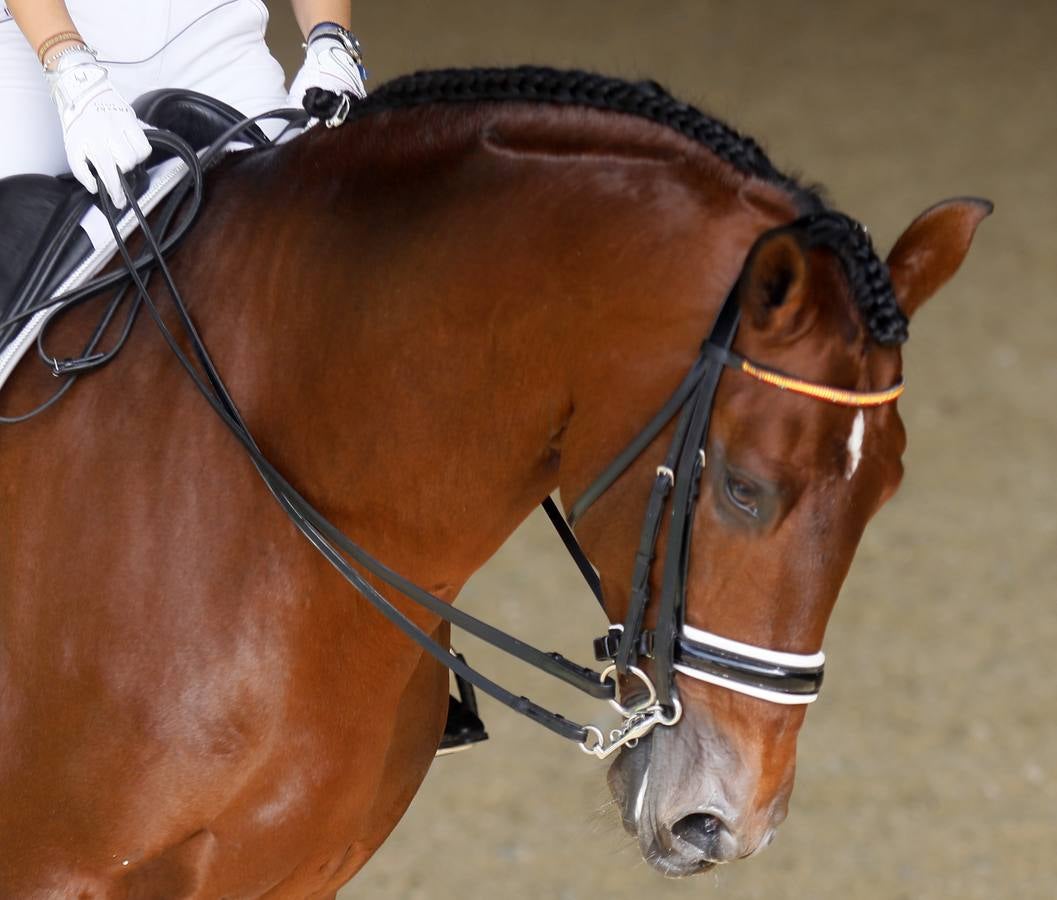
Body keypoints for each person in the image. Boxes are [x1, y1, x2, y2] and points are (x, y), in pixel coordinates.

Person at [0, 0, 367, 208]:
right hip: (41, 38)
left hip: (213, 28)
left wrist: (329, 40)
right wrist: (69, 72)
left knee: (308, 211)